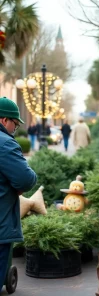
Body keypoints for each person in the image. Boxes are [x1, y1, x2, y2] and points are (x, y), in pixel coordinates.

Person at [0, 97, 37, 292]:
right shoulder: (5, 144)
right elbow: (26, 179)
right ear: (4, 120)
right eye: (15, 124)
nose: (15, 129)